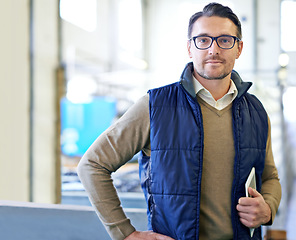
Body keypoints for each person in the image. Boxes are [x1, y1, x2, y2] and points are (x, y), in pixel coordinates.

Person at [77, 2, 281, 240]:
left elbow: (270, 178)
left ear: (239, 48)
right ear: (189, 48)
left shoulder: (255, 110)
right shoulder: (154, 106)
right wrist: (125, 233)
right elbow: (92, 165)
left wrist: (268, 208)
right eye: (203, 40)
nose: (213, 49)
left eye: (225, 40)